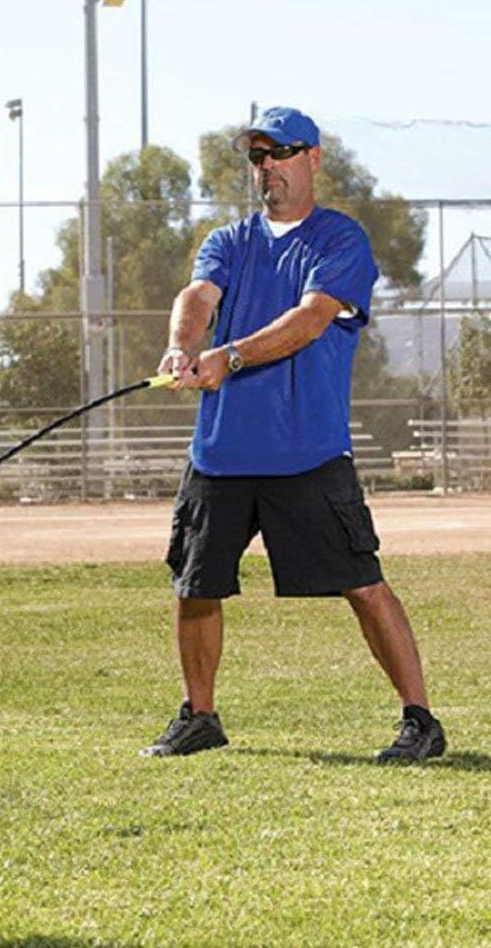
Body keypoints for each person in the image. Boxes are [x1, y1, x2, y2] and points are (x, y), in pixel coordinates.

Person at [140, 106, 445, 763]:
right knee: (196, 586)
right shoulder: (229, 240)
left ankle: (420, 720)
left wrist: (229, 358)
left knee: (363, 584)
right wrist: (180, 346)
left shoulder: (341, 240)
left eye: (281, 152)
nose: (267, 167)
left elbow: (309, 320)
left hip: (306, 453)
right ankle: (201, 716)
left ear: (313, 159)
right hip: (220, 454)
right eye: (257, 156)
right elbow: (198, 296)